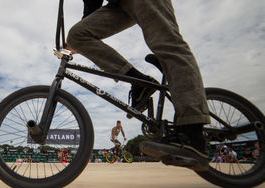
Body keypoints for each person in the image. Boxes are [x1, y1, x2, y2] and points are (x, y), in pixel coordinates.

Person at [66, 0, 210, 171]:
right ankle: (140, 82)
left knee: (167, 44)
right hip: (119, 4)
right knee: (77, 35)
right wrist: (84, 29)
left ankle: (193, 135)